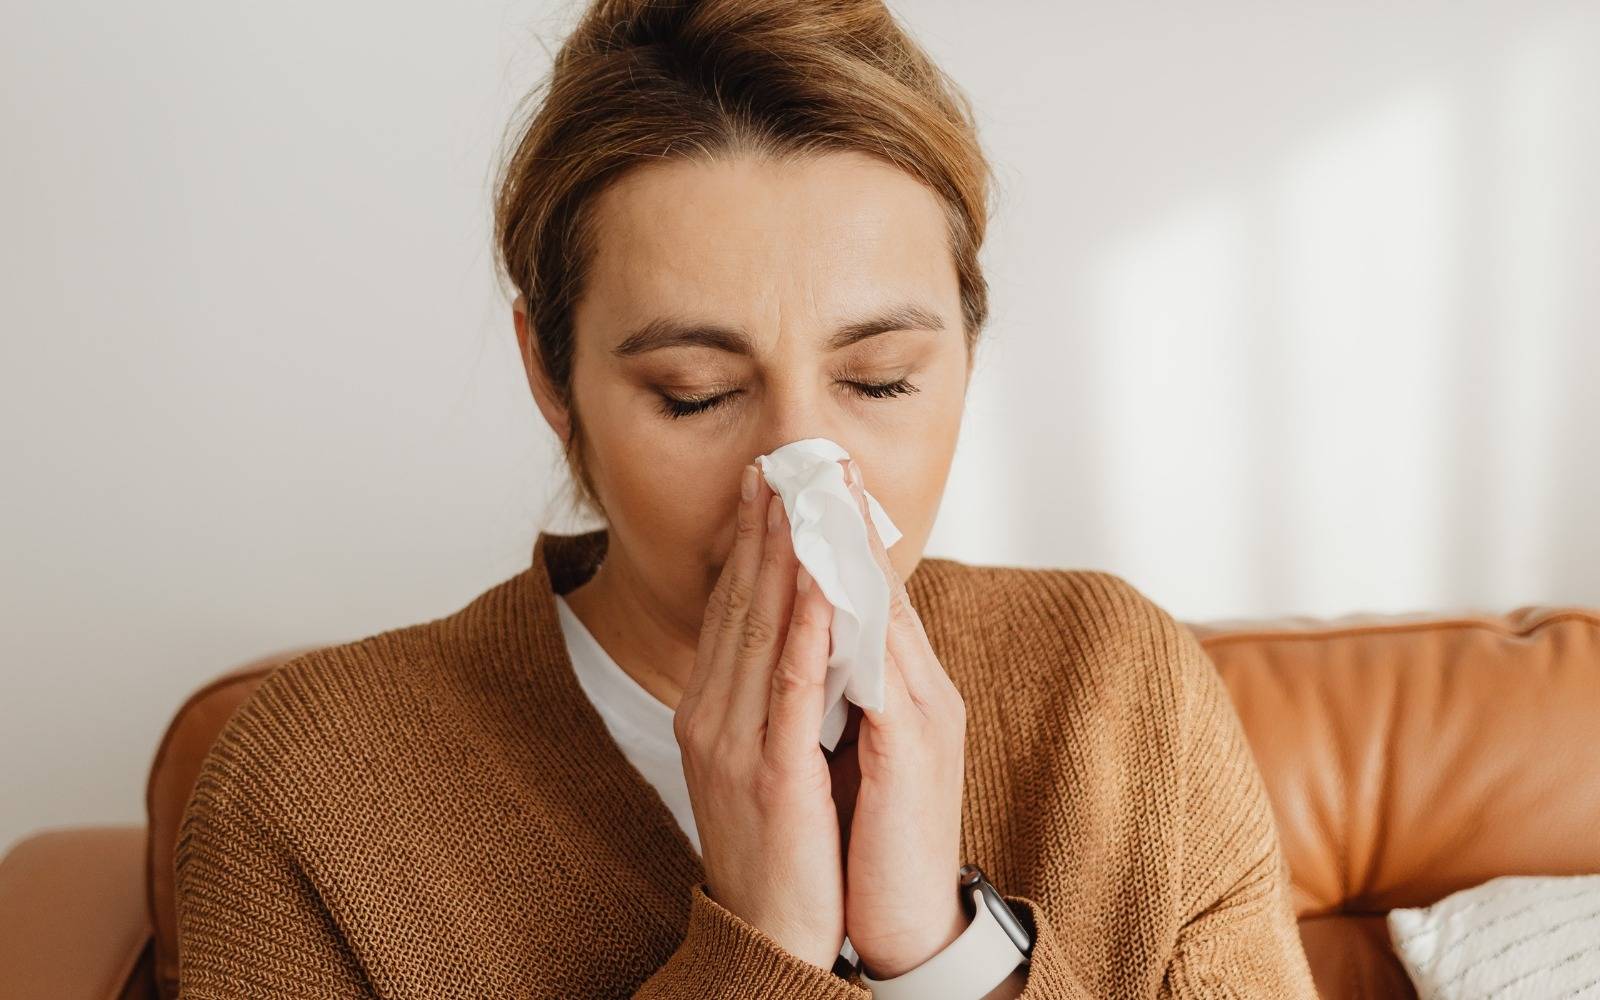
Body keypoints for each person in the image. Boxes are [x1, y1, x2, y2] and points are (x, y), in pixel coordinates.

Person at [174, 1, 1319, 997]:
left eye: (879, 380)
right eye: (696, 394)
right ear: (551, 376)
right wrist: (763, 948)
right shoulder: (313, 791)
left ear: (965, 353)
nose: (801, 478)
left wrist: (937, 952)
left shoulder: (1119, 691)